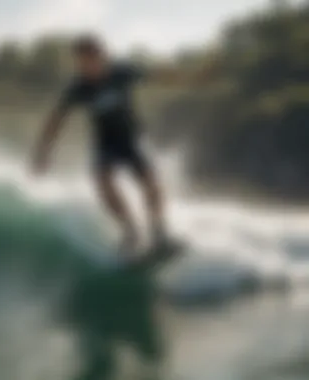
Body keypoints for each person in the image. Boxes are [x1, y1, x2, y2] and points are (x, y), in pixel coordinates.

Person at [31, 35, 215, 256]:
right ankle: (131, 232)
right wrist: (43, 152)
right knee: (102, 181)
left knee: (150, 181)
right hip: (106, 144)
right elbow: (56, 120)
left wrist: (192, 77)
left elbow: (159, 75)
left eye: (91, 60)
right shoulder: (78, 87)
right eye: (82, 63)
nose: (88, 67)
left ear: (102, 56)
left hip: (131, 139)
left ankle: (159, 234)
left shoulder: (121, 73)